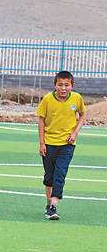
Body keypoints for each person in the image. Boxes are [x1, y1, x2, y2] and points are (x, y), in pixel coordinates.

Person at [37, 70, 86, 220]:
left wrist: (74, 133)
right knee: (49, 177)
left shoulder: (77, 98)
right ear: (55, 85)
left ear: (72, 85)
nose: (63, 88)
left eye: (67, 85)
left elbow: (83, 115)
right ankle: (48, 204)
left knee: (60, 173)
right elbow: (41, 120)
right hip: (49, 144)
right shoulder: (47, 100)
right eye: (60, 85)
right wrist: (41, 143)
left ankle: (53, 206)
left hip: (67, 144)